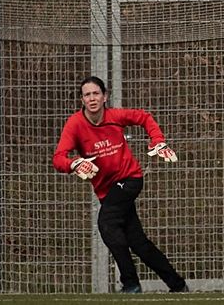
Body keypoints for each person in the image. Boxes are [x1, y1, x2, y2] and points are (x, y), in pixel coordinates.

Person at [52, 75, 187, 294]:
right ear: (82, 100)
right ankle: (178, 285)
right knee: (138, 242)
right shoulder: (75, 124)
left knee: (107, 223)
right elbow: (58, 158)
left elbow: (144, 117)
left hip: (130, 179)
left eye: (96, 93)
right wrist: (74, 163)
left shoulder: (115, 116)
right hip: (107, 191)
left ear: (105, 96)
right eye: (87, 95)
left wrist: (158, 140)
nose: (92, 98)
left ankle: (130, 283)